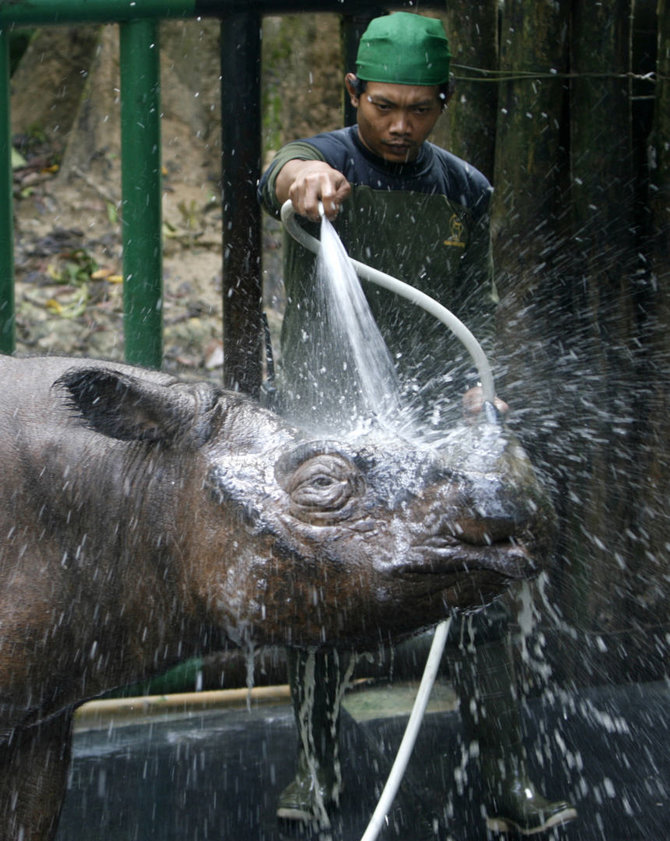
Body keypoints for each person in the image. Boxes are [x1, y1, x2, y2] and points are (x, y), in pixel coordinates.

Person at [258, 12, 576, 836]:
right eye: (384, 106)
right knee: (318, 593)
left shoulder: (464, 188)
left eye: (422, 108)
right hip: (328, 425)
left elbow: (476, 310)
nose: (401, 125)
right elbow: (281, 172)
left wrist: (483, 383)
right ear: (354, 93)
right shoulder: (323, 164)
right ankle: (316, 773)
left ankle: (505, 779)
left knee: (480, 591)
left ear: (444, 102)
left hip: (428, 422)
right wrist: (303, 185)